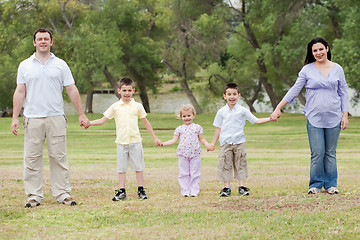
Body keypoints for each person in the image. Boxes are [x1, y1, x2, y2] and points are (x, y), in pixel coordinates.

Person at [11, 28, 90, 208]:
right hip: (33, 118)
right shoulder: (25, 65)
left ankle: (63, 194)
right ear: (34, 42)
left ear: (51, 42)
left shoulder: (61, 65)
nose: (43, 42)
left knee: (59, 157)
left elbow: (71, 89)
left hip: (56, 118)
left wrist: (81, 113)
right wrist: (15, 117)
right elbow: (20, 91)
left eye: (46, 39)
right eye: (39, 39)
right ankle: (33, 196)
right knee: (31, 159)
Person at [270, 37, 349, 195]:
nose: (318, 53)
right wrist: (278, 108)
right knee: (317, 152)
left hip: (334, 117)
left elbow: (343, 93)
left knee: (330, 152)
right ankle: (315, 184)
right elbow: (294, 89)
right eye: (315, 51)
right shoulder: (307, 70)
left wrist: (344, 115)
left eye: (321, 49)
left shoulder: (338, 69)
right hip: (314, 118)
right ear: (311, 53)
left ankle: (331, 184)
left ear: (327, 48)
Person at [88, 77, 162, 201]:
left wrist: (154, 137)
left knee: (138, 168)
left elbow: (146, 122)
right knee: (121, 169)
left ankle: (141, 190)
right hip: (121, 143)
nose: (127, 93)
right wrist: (89, 123)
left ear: (133, 91)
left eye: (129, 90)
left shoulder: (137, 106)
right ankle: (122, 191)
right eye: (124, 90)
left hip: (135, 142)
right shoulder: (115, 107)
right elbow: (103, 120)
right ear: (119, 91)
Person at [208, 83, 271, 197]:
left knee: (240, 164)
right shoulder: (221, 112)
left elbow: (256, 120)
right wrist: (212, 143)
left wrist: (270, 118)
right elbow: (218, 128)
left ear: (239, 95)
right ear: (224, 96)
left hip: (239, 143)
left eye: (234, 94)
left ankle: (242, 187)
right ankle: (226, 188)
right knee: (225, 165)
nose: (232, 97)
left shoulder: (243, 110)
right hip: (225, 143)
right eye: (229, 94)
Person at [160, 104, 211, 197]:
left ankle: (194, 190)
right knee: (184, 173)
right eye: (184, 116)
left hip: (195, 154)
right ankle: (185, 191)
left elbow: (202, 139)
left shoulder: (197, 127)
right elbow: (174, 140)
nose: (187, 118)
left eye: (189, 115)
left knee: (194, 173)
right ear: (181, 117)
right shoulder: (179, 129)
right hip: (183, 154)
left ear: (193, 115)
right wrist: (163, 143)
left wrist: (207, 144)